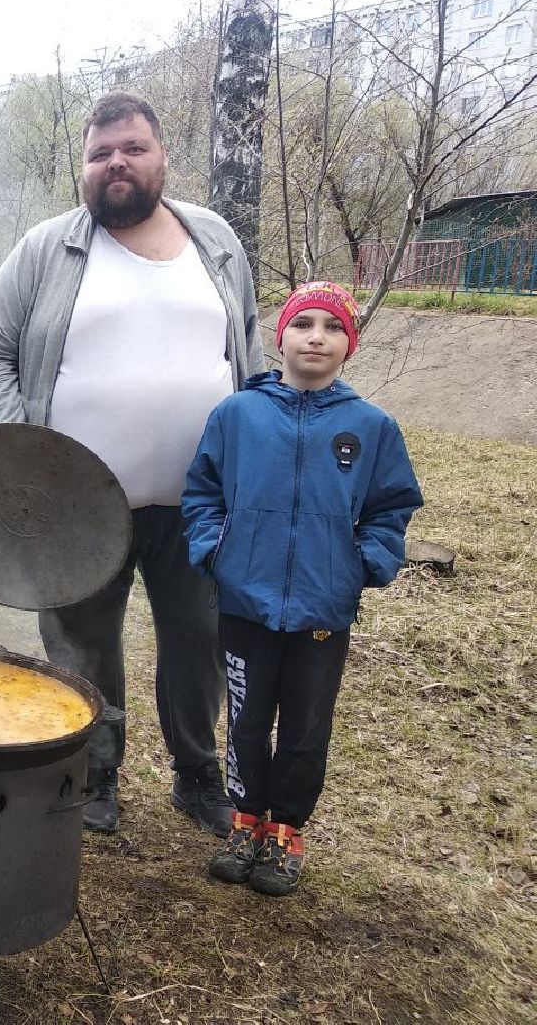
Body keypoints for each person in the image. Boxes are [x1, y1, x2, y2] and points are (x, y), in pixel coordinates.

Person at [0, 92, 265, 835]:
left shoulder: (216, 242)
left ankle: (197, 776)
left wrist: (258, 457)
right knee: (81, 641)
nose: (117, 163)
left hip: (200, 500)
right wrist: (22, 450)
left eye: (132, 148)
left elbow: (250, 352)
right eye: (101, 154)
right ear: (84, 167)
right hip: (75, 501)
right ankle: (94, 771)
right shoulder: (48, 248)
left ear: (161, 155)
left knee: (199, 640)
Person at [183, 282, 422, 894]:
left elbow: (391, 506)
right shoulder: (238, 414)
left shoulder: (370, 427)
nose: (317, 336)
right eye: (304, 323)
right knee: (244, 719)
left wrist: (362, 563)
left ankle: (287, 828)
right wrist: (215, 550)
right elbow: (203, 491)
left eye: (333, 327)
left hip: (323, 608)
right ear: (280, 335)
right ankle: (245, 819)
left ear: (350, 343)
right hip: (245, 601)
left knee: (306, 726)